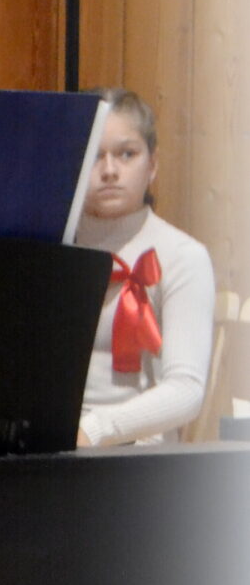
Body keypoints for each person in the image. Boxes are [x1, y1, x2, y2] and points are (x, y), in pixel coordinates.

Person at [75, 89, 215, 448]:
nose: (109, 170)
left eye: (127, 154)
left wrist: (94, 429)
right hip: (52, 447)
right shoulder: (51, 246)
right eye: (94, 155)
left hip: (140, 452)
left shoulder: (182, 256)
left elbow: (186, 389)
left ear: (152, 164)